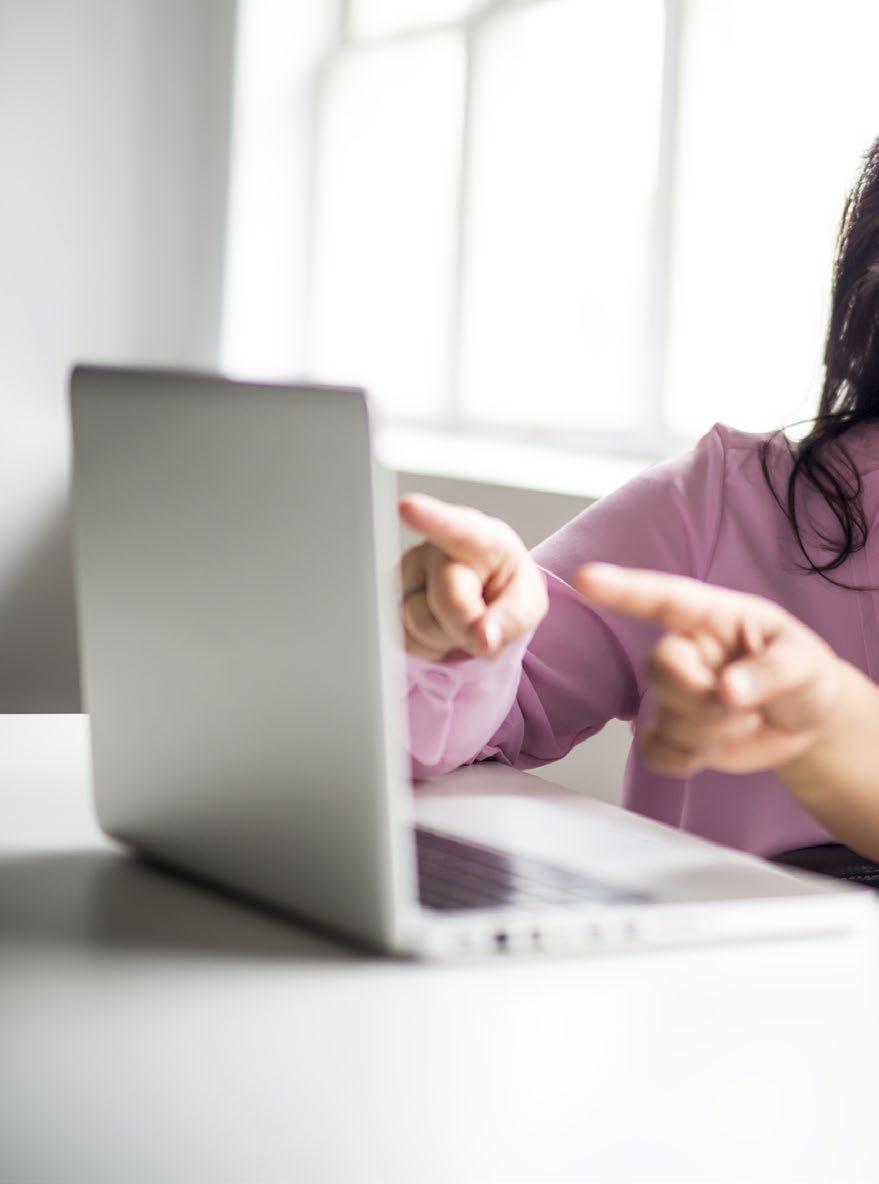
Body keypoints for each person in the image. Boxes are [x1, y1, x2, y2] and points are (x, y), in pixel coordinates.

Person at [399, 135, 879, 868]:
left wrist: (842, 736)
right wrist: (458, 636)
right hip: (705, 979)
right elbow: (441, 727)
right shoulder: (727, 500)